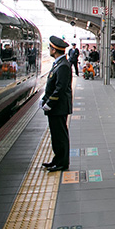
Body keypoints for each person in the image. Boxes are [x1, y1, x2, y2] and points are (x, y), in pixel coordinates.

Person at [40, 36, 73, 172]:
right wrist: (44, 99)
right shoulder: (59, 64)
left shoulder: (63, 66)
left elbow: (60, 88)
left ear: (54, 50)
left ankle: (62, 162)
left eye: (50, 48)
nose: (49, 50)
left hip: (59, 107)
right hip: (56, 107)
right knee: (56, 135)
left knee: (60, 136)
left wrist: (50, 103)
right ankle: (57, 159)